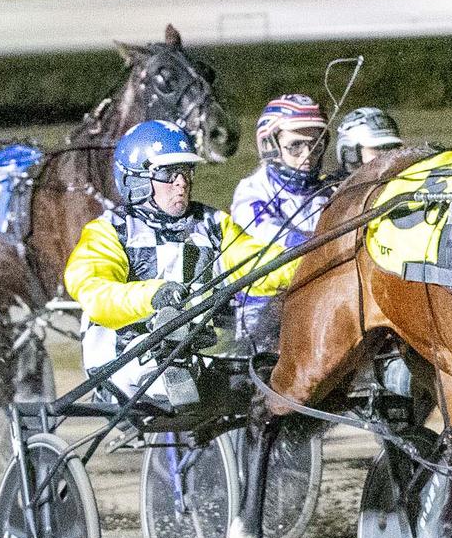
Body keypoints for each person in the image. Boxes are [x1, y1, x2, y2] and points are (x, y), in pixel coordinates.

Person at [64, 119, 296, 399]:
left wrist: (303, 263)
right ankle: (178, 369)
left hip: (205, 354)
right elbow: (95, 292)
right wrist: (154, 295)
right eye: (168, 174)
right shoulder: (109, 231)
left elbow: (253, 263)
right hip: (126, 364)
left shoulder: (213, 223)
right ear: (136, 179)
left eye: (186, 171)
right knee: (171, 358)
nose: (182, 183)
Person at [230, 94, 335, 341]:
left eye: (316, 145)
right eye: (295, 145)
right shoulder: (253, 188)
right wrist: (310, 243)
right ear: (270, 145)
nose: (307, 155)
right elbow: (263, 229)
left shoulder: (328, 190)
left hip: (320, 294)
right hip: (263, 302)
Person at [333, 106, 404, 178]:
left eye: (392, 148)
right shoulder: (332, 187)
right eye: (377, 149)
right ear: (350, 155)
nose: (386, 154)